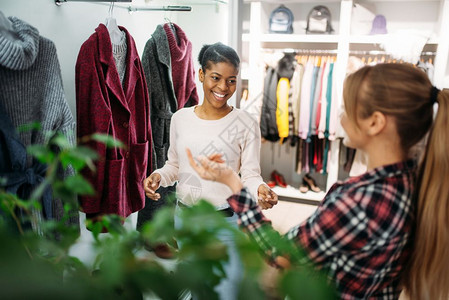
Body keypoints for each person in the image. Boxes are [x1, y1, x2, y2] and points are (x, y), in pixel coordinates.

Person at [186, 63, 449, 300]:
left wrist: (233, 182)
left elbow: (281, 253)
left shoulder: (359, 201)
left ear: (374, 122)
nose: (340, 117)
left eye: (347, 107)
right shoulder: (419, 184)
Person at [143, 42, 278, 299]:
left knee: (225, 292)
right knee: (197, 290)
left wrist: (261, 188)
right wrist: (159, 176)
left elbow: (249, 174)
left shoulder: (245, 123)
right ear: (202, 75)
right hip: (186, 220)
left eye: (231, 81)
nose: (223, 88)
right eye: (216, 78)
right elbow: (175, 164)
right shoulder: (180, 118)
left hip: (226, 224)